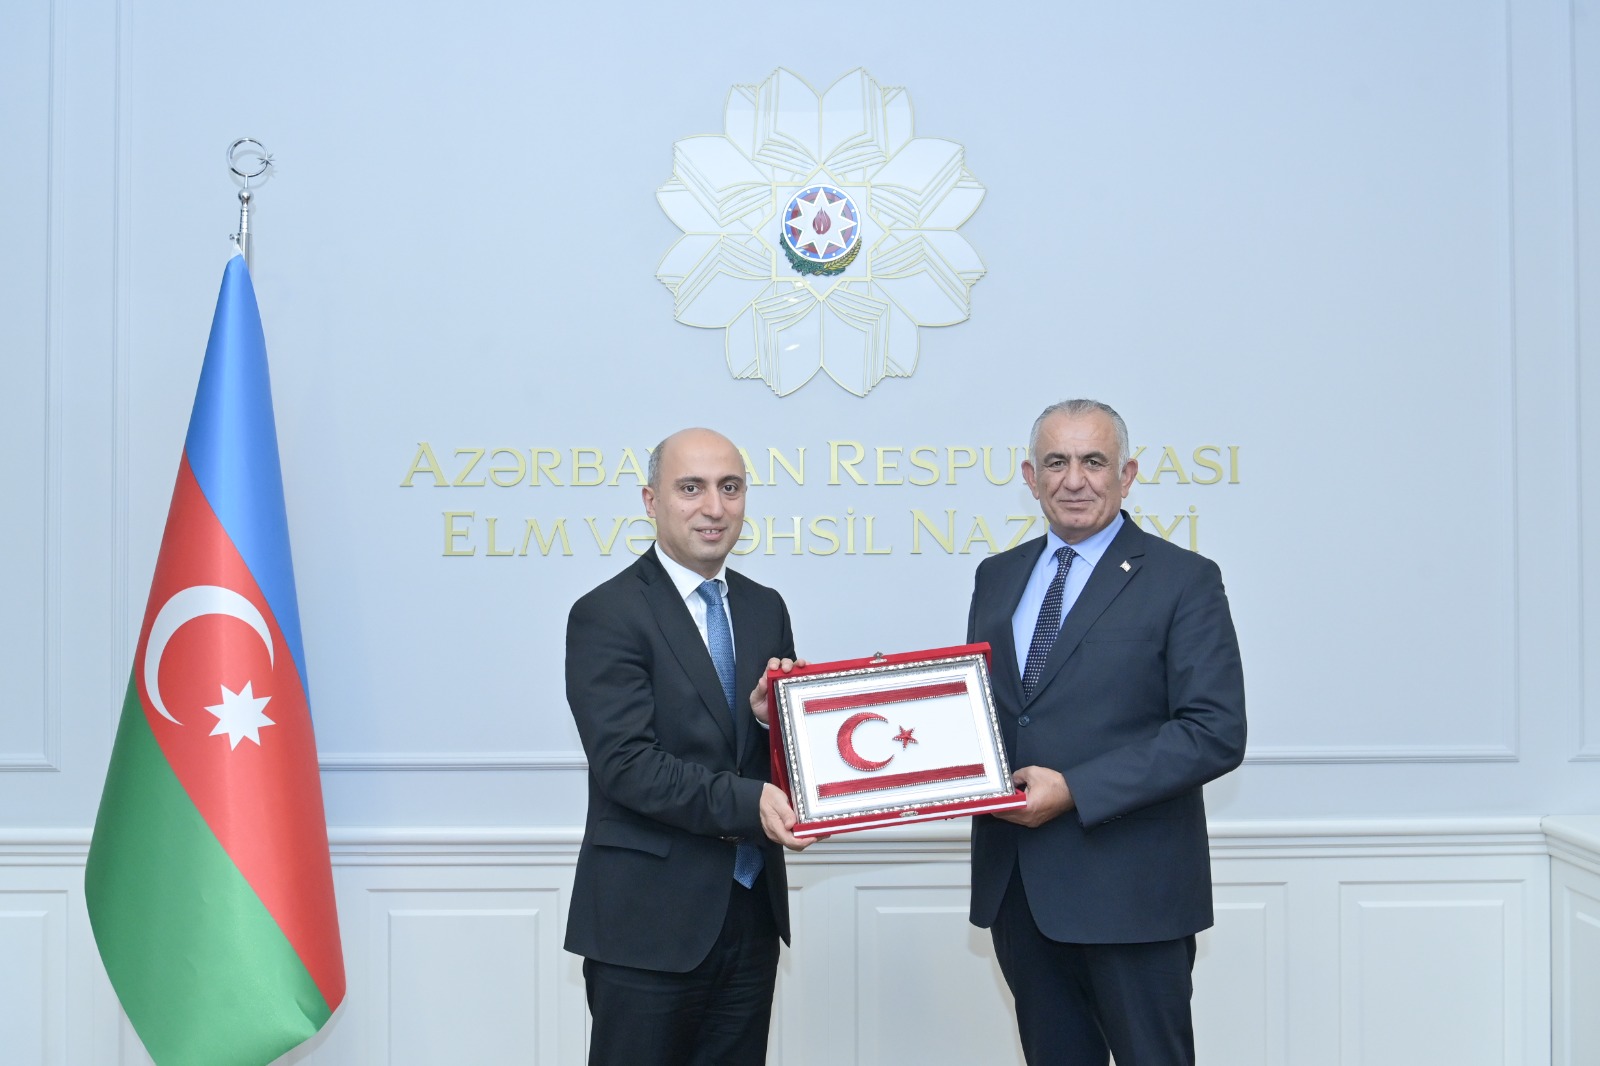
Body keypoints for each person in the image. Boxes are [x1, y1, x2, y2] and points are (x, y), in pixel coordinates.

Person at [966, 399, 1247, 1066]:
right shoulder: (996, 577)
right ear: (1030, 478)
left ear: (1128, 474)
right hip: (1021, 891)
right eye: (1056, 462)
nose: (1074, 480)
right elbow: (987, 710)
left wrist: (1075, 789)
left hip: (1133, 895)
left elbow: (1215, 730)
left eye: (1093, 461)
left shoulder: (1184, 580)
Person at [564, 427, 812, 1066]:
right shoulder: (606, 613)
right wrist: (749, 801)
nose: (714, 507)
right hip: (646, 926)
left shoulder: (765, 608)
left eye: (730, 488)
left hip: (750, 917)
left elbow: (766, 753)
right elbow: (627, 765)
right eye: (691, 488)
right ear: (651, 501)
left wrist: (769, 725)